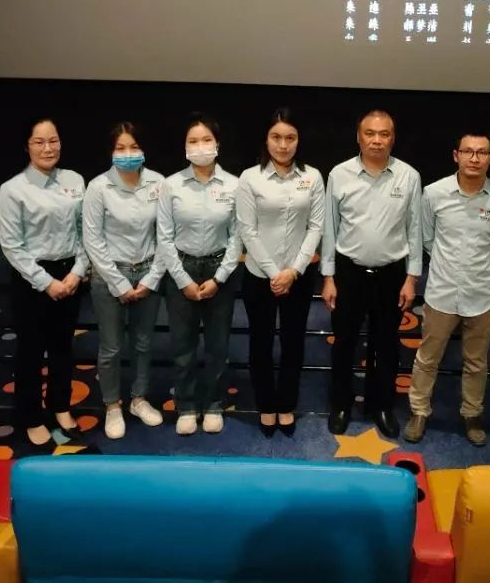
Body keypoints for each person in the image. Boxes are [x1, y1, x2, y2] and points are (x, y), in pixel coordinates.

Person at [403, 132, 490, 447]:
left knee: (477, 362)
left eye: (481, 152)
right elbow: (426, 238)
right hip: (441, 292)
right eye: (468, 151)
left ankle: (472, 414)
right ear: (456, 155)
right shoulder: (434, 193)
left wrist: (480, 267)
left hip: (481, 295)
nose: (474, 158)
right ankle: (419, 411)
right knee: (427, 358)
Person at [322, 109, 422, 438]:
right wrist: (328, 277)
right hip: (349, 273)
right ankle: (341, 404)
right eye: (370, 133)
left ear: (393, 138)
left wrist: (411, 278)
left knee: (387, 345)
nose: (376, 140)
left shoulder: (409, 176)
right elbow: (330, 229)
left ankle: (382, 406)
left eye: (384, 134)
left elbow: (415, 230)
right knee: (344, 343)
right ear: (358, 137)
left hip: (392, 275)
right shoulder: (339, 174)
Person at [0, 118, 87, 451]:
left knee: (63, 347)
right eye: (39, 142)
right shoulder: (12, 190)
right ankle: (31, 417)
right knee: (31, 352)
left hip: (71, 275)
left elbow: (85, 231)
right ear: (27, 146)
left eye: (54, 140)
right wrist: (46, 283)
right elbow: (12, 246)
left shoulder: (75, 180)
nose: (48, 148)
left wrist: (78, 272)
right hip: (33, 280)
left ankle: (60, 406)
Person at [236, 108, 325, 437]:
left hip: (298, 277)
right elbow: (247, 230)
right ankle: (265, 405)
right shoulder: (250, 178)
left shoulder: (312, 177)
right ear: (266, 139)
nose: (283, 145)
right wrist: (276, 273)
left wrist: (294, 271)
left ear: (299, 140)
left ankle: (286, 404)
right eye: (276, 137)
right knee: (260, 343)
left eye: (290, 138)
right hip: (260, 276)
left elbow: (316, 227)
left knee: (293, 342)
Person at [157, 114, 242, 435]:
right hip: (181, 270)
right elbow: (164, 237)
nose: (200, 146)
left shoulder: (234, 185)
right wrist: (183, 280)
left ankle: (215, 403)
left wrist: (219, 278)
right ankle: (187, 405)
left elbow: (238, 236)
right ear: (184, 147)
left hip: (220, 271)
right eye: (193, 141)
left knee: (218, 346)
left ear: (217, 144)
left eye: (206, 140)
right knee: (183, 346)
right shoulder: (171, 185)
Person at [82, 122, 166, 440]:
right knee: (111, 347)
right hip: (109, 275)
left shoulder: (158, 183)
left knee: (143, 343)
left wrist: (152, 278)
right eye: (120, 148)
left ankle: (139, 399)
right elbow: (92, 239)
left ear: (143, 150)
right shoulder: (98, 187)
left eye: (133, 147)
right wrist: (118, 283)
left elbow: (165, 235)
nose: (127, 154)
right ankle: (112, 405)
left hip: (148, 273)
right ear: (111, 152)